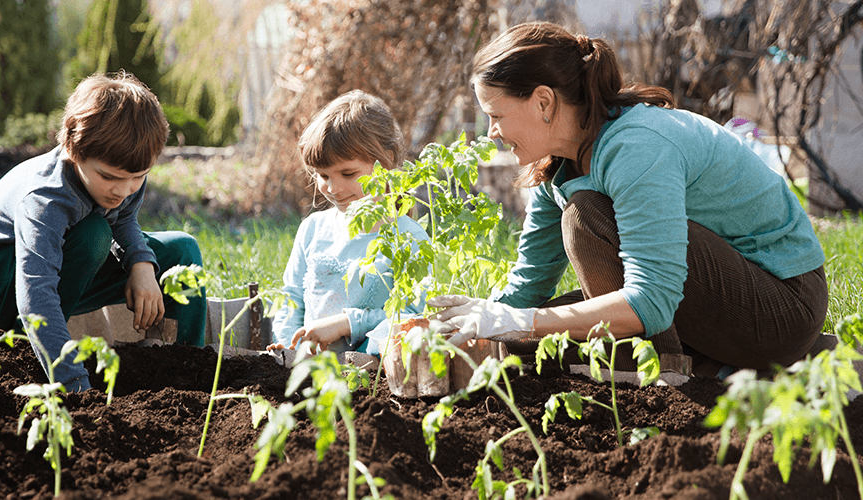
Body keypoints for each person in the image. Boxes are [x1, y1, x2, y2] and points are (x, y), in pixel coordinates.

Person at [430, 22, 828, 378]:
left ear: (543, 102)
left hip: (781, 305)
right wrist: (468, 323)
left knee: (584, 218)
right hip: (702, 294)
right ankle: (708, 363)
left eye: (496, 115)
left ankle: (670, 369)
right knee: (516, 343)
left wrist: (522, 320)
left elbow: (651, 298)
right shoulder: (558, 164)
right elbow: (526, 289)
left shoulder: (636, 146)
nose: (491, 132)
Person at [0, 72, 207, 391]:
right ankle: (23, 350)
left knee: (182, 250)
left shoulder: (125, 173)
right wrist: (75, 386)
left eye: (137, 177)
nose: (123, 190)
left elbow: (122, 218)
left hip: (63, 267)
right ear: (73, 149)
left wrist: (141, 265)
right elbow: (36, 294)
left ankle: (192, 371)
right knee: (93, 234)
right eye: (110, 177)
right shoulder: (46, 200)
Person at [266, 90, 430, 356]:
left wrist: (346, 324)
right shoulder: (313, 229)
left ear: (385, 162)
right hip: (310, 371)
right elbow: (291, 300)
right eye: (323, 175)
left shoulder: (408, 237)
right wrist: (289, 346)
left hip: (373, 375)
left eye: (348, 173)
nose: (334, 188)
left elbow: (412, 317)